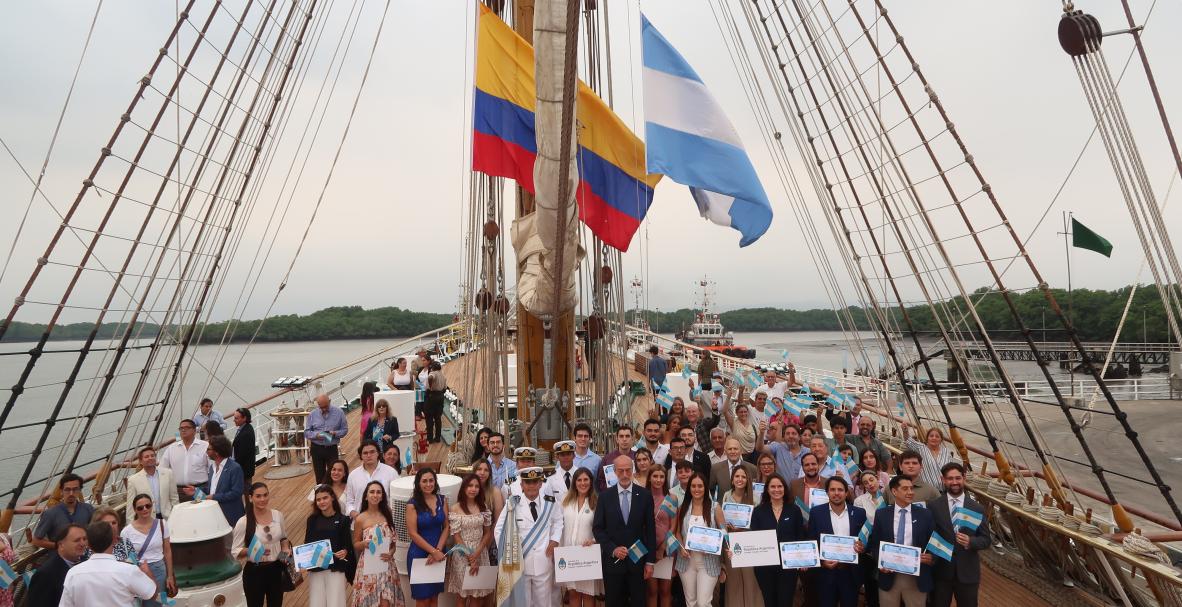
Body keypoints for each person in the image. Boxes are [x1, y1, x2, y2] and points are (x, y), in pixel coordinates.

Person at [592, 455, 655, 607]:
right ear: (614, 471)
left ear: (633, 470)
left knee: (639, 602)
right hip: (613, 563)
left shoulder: (645, 495)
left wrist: (650, 562)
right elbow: (598, 528)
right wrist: (613, 549)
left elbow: (650, 530)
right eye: (621, 471)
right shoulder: (605, 497)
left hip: (638, 562)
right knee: (614, 602)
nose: (625, 474)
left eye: (628, 470)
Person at [494, 468, 563, 605]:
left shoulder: (550, 503)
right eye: (528, 482)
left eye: (535, 482)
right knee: (522, 603)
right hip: (520, 564)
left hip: (543, 561)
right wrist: (509, 553)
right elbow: (499, 530)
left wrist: (554, 540)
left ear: (540, 484)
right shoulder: (512, 504)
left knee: (543, 603)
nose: (531, 485)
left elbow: (558, 521)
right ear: (521, 485)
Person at [927, 463, 991, 607]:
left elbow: (986, 540)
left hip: (968, 573)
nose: (954, 482)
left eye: (958, 478)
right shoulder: (934, 506)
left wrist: (971, 541)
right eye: (950, 479)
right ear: (943, 480)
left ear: (964, 478)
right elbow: (929, 536)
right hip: (941, 572)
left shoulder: (977, 508)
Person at [869, 476, 935, 607]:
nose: (910, 492)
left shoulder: (925, 514)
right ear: (894, 492)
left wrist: (932, 557)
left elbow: (933, 542)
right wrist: (880, 562)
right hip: (888, 575)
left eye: (911, 488)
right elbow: (874, 543)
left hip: (916, 576)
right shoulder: (882, 514)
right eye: (905, 489)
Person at [61, 521, 157, 607]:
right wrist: (148, 572)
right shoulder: (128, 571)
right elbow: (152, 594)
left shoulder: (73, 574)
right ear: (113, 541)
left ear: (88, 544)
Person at [808, 477, 867, 607]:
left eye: (840, 490)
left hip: (850, 574)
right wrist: (822, 562)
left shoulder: (859, 513)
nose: (836, 493)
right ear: (827, 492)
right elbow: (812, 541)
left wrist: (863, 547)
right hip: (826, 573)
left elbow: (866, 541)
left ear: (846, 493)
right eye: (832, 489)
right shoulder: (816, 513)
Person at [750, 474, 805, 607]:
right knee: (769, 602)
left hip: (788, 566)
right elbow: (753, 539)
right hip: (764, 567)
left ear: (784, 489)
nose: (776, 489)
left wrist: (803, 559)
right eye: (772, 486)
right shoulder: (758, 511)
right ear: (767, 490)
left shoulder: (794, 510)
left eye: (779, 486)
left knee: (785, 602)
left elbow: (800, 536)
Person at [231, 483, 290, 607]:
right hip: (254, 572)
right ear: (251, 498)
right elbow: (235, 551)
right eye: (258, 496)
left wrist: (286, 550)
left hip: (276, 568)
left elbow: (284, 538)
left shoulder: (278, 515)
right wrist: (253, 550)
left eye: (265, 495)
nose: (262, 499)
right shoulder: (243, 522)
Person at [672, 473, 722, 607]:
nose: (696, 489)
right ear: (689, 488)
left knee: (703, 602)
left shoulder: (715, 507)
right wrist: (681, 548)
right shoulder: (682, 507)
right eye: (693, 486)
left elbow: (723, 532)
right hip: (687, 560)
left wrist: (712, 545)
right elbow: (677, 532)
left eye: (700, 486)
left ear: (705, 488)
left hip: (708, 561)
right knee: (691, 602)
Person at [445, 474, 493, 606]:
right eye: (470, 485)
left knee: (477, 596)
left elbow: (488, 533)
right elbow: (456, 536)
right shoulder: (455, 508)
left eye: (477, 486)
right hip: (462, 554)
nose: (473, 489)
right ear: (464, 488)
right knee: (462, 595)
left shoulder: (483, 506)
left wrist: (477, 554)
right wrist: (470, 557)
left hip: (480, 552)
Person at [304, 484, 356, 607]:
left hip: (336, 569)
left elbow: (347, 545)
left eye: (325, 498)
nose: (322, 502)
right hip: (316, 569)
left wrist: (345, 551)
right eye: (318, 499)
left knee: (336, 603)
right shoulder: (312, 520)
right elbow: (307, 543)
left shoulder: (343, 520)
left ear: (332, 497)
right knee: (317, 603)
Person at [351, 481, 400, 607]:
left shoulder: (388, 513)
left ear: (382, 496)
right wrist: (363, 543)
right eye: (372, 492)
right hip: (369, 566)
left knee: (386, 603)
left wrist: (391, 552)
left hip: (386, 565)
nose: (375, 495)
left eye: (379, 492)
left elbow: (393, 543)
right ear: (366, 496)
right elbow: (355, 543)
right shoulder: (360, 518)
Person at [122, 493, 177, 606]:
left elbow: (167, 551)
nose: (145, 509)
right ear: (135, 510)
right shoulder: (126, 532)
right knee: (140, 603)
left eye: (148, 505)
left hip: (159, 570)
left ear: (152, 505)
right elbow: (125, 558)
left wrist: (170, 576)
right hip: (138, 571)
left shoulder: (162, 524)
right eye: (140, 507)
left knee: (158, 603)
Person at [720, 466, 762, 607]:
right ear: (732, 480)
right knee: (734, 582)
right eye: (737, 476)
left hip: (748, 542)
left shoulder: (754, 498)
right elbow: (721, 520)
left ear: (748, 480)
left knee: (750, 580)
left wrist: (743, 528)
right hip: (730, 543)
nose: (740, 479)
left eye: (743, 477)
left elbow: (758, 524)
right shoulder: (726, 495)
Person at [407, 467, 450, 605]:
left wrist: (438, 551)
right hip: (419, 554)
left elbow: (446, 526)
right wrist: (433, 552)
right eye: (424, 481)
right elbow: (412, 533)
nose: (428, 484)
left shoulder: (442, 500)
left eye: (431, 480)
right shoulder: (412, 504)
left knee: (434, 597)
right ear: (418, 484)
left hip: (439, 551)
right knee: (423, 599)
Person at [560, 468, 601, 607]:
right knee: (573, 593)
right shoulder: (565, 501)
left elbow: (602, 528)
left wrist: (594, 541)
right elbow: (559, 525)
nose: (582, 483)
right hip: (569, 555)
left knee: (588, 594)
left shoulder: (597, 502)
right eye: (579, 480)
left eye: (586, 480)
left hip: (588, 555)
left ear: (591, 482)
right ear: (574, 482)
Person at [25, 524, 87, 606]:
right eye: (77, 540)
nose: (83, 543)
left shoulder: (85, 564)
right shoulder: (45, 574)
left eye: (84, 539)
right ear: (61, 545)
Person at [32, 474, 95, 551]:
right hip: (60, 556)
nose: (71, 493)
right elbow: (36, 540)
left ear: (80, 491)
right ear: (61, 491)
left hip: (85, 553)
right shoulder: (50, 514)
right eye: (67, 490)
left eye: (75, 489)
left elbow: (94, 531)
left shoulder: (88, 509)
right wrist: (60, 546)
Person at [159, 418, 209, 503]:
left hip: (200, 489)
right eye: (181, 428)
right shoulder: (172, 448)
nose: (183, 430)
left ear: (194, 430)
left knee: (201, 511)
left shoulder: (205, 446)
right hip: (178, 491)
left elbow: (213, 468)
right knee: (181, 514)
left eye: (187, 427)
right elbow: (162, 469)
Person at [346, 440, 399, 518]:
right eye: (365, 453)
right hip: (359, 522)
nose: (369, 455)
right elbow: (349, 501)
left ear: (378, 453)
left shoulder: (391, 473)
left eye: (372, 452)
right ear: (361, 455)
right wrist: (354, 514)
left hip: (385, 521)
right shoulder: (353, 475)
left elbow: (396, 499)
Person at [644, 465, 673, 607]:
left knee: (665, 590)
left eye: (661, 476)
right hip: (647, 551)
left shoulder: (670, 497)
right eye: (655, 476)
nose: (658, 479)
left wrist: (662, 547)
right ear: (649, 477)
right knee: (651, 591)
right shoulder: (643, 496)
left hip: (665, 550)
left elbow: (673, 526)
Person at [125, 446, 179, 521]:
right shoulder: (133, 480)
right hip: (147, 519)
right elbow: (131, 507)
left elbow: (174, 498)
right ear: (140, 461)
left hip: (168, 517)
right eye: (146, 457)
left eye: (152, 456)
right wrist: (131, 526)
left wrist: (177, 516)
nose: (150, 458)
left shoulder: (168, 473)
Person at [306, 394, 349, 485]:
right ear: (318, 405)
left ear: (330, 401)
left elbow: (345, 430)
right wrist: (316, 435)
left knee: (334, 475)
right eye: (321, 407)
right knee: (319, 476)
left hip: (331, 448)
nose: (324, 409)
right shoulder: (312, 414)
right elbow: (307, 432)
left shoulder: (339, 413)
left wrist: (335, 433)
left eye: (326, 406)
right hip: (316, 448)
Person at [203, 435, 246, 525]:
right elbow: (210, 490)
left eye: (208, 449)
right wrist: (195, 492)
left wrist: (214, 497)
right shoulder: (212, 467)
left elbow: (236, 493)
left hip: (230, 515)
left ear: (217, 452)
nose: (206, 452)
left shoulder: (234, 468)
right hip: (214, 514)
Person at [904, 426, 960, 491]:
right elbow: (908, 441)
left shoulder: (946, 452)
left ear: (941, 439)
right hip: (926, 490)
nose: (934, 438)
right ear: (927, 438)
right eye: (931, 436)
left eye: (937, 436)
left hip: (944, 490)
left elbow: (951, 469)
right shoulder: (921, 448)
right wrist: (905, 430)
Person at [595, 425, 638, 492]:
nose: (624, 439)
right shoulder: (607, 459)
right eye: (621, 436)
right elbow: (600, 481)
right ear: (617, 439)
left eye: (627, 436)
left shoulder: (638, 457)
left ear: (632, 439)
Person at [232, 408, 258, 496]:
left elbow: (242, 455)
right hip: (245, 469)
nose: (234, 420)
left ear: (244, 418)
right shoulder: (245, 428)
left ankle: (249, 509)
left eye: (236, 418)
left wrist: (233, 467)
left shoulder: (246, 433)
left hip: (244, 470)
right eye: (234, 417)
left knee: (247, 493)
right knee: (246, 492)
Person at [423, 361, 448, 444]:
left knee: (429, 418)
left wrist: (430, 387)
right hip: (440, 397)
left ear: (432, 368)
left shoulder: (433, 373)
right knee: (438, 419)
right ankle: (437, 438)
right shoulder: (442, 375)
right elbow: (445, 388)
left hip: (431, 396)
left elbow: (430, 377)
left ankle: (430, 438)